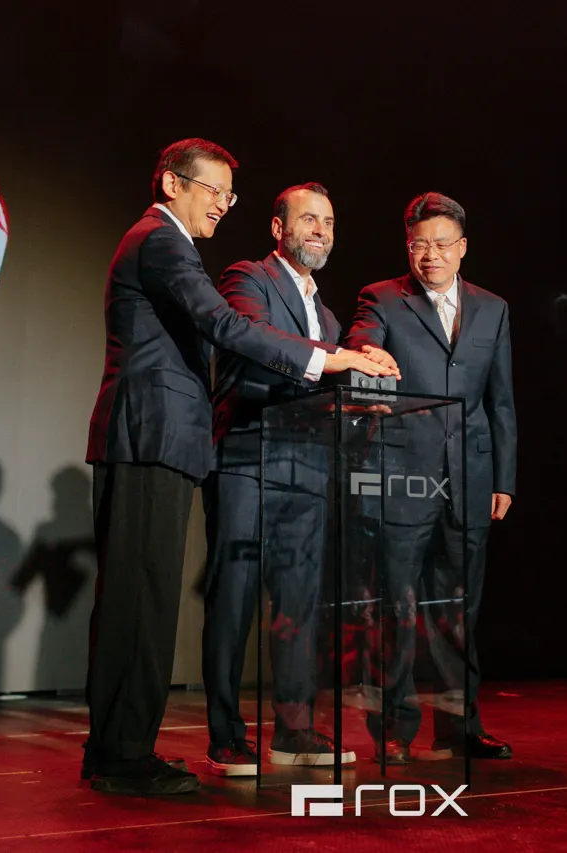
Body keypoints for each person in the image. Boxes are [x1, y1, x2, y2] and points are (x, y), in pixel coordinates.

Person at [83, 140, 396, 797]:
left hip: (170, 440)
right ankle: (120, 755)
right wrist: (335, 359)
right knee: (138, 602)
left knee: (149, 600)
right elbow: (226, 324)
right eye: (214, 190)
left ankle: (124, 748)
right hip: (150, 434)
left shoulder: (169, 243)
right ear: (173, 183)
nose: (224, 205)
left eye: (230, 194)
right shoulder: (162, 240)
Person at [202, 182, 400, 775]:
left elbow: (322, 383)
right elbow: (258, 343)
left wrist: (364, 393)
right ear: (278, 228)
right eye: (309, 219)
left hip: (308, 467)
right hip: (248, 458)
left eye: (329, 222)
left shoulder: (330, 316)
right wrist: (341, 360)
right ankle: (225, 736)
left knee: (298, 606)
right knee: (234, 599)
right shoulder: (247, 278)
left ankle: (293, 732)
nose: (320, 230)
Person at [344, 191, 516, 763]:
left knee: (459, 609)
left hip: (471, 478)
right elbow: (361, 343)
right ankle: (394, 730)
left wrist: (504, 478)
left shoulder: (493, 308)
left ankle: (460, 727)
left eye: (442, 245)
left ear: (462, 248)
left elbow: (500, 402)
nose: (431, 256)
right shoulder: (382, 298)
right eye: (420, 245)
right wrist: (366, 356)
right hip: (401, 475)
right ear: (408, 246)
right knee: (396, 607)